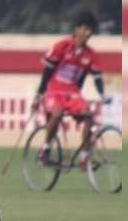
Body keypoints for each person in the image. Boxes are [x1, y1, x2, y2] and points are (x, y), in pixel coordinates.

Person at [32, 11, 110, 168]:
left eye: (91, 30)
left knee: (89, 116)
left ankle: (84, 157)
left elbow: (97, 77)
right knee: (57, 113)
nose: (89, 33)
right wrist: (38, 94)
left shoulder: (91, 55)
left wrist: (102, 94)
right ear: (77, 29)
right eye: (86, 29)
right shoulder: (61, 46)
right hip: (54, 90)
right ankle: (45, 150)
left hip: (73, 94)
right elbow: (47, 72)